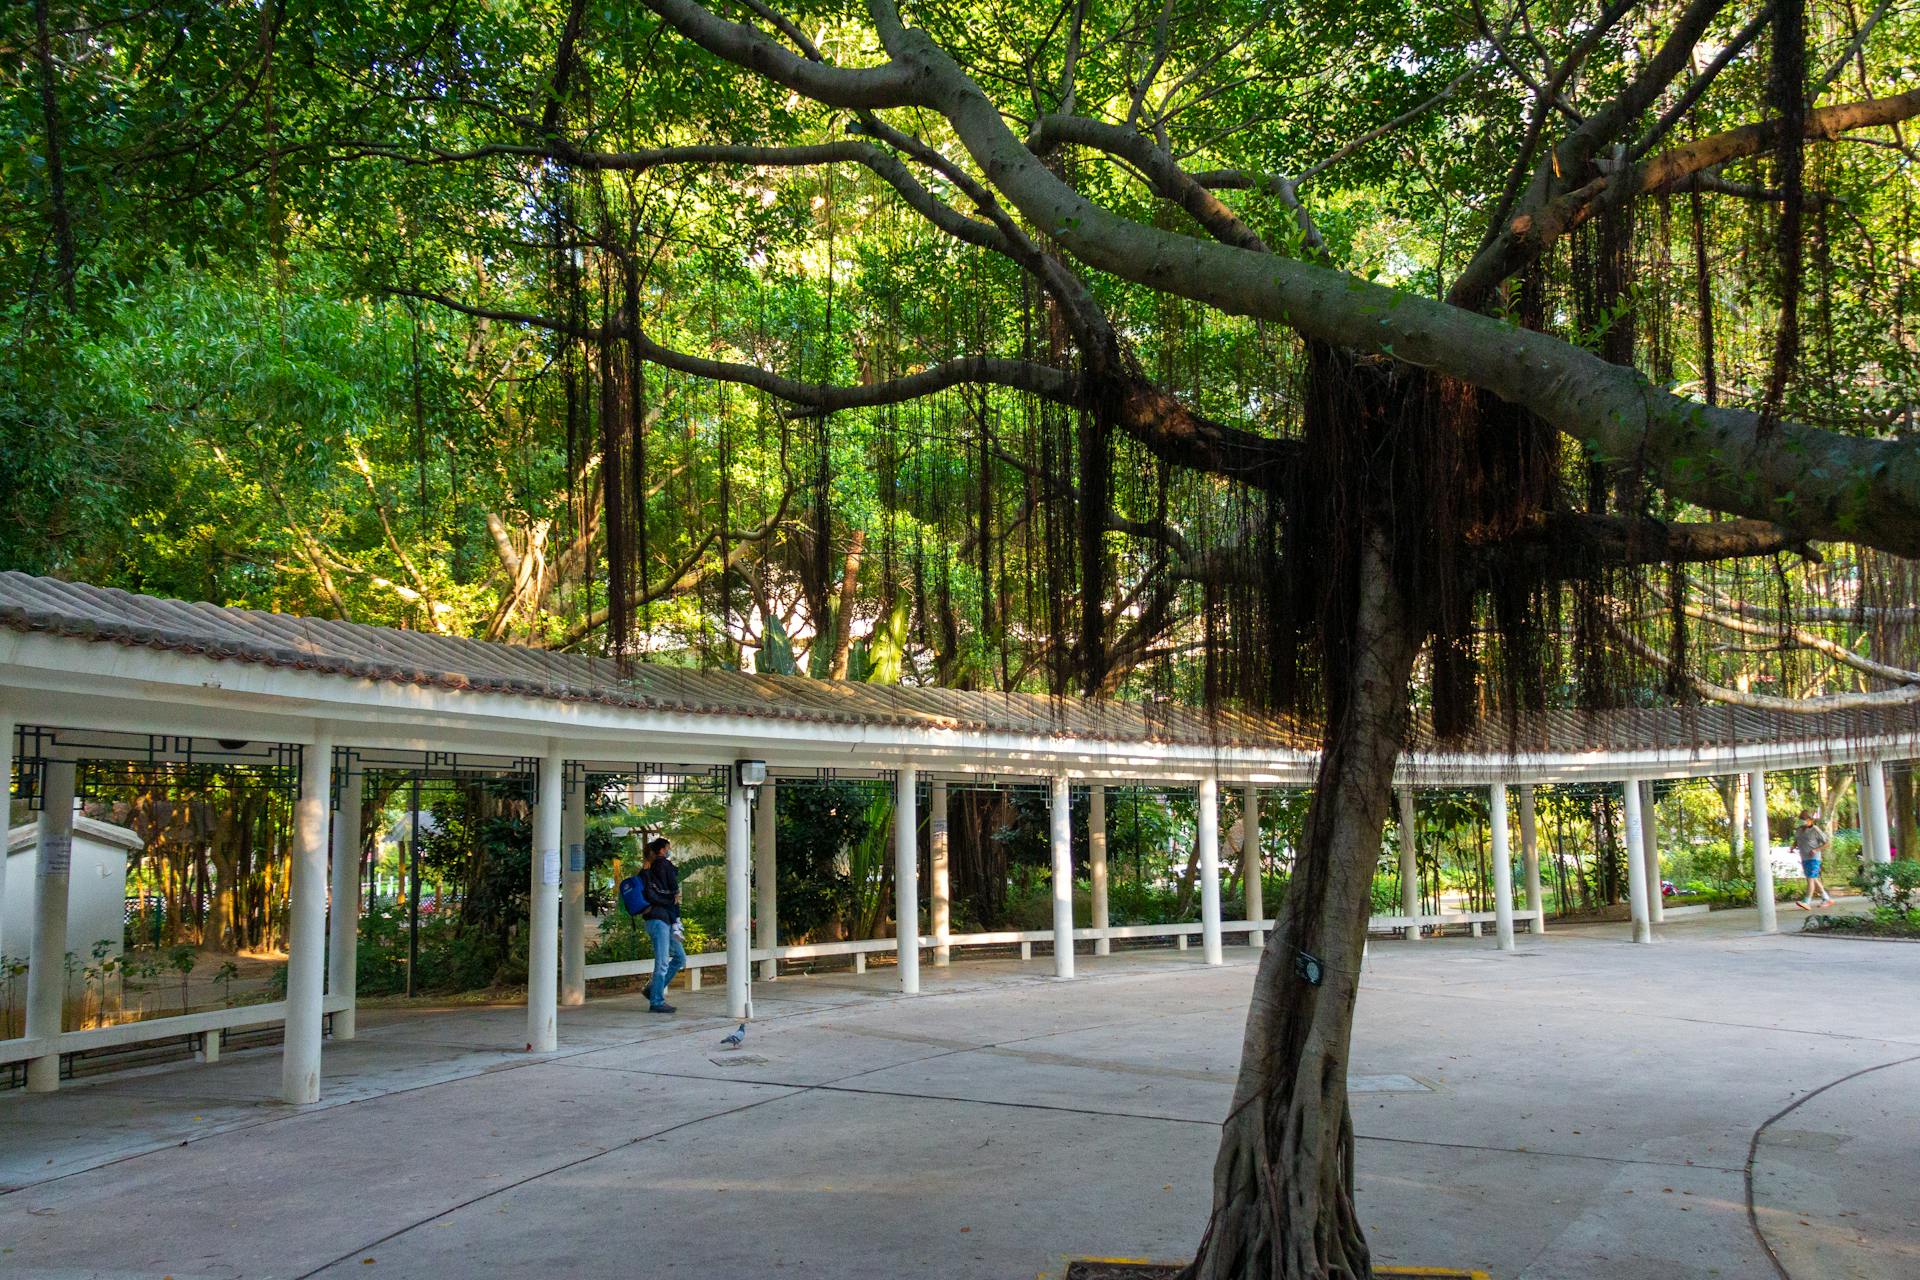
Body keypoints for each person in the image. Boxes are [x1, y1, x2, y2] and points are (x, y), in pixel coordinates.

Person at [641, 836, 686, 1011]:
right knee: (662, 962)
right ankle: (657, 1002)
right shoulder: (659, 867)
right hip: (658, 920)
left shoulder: (649, 870)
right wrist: (673, 896)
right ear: (661, 850)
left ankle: (653, 990)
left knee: (680, 958)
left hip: (665, 919)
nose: (669, 851)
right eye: (668, 848)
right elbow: (671, 890)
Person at [1792, 810, 1833, 910]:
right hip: (1804, 858)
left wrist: (1816, 850)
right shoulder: (1799, 830)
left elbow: (1827, 843)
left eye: (1804, 819)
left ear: (1810, 820)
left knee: (1810, 879)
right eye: (1801, 819)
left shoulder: (1815, 830)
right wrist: (1793, 847)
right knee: (1813, 878)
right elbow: (1797, 840)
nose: (1802, 821)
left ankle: (1807, 901)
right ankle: (1826, 898)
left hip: (1813, 859)